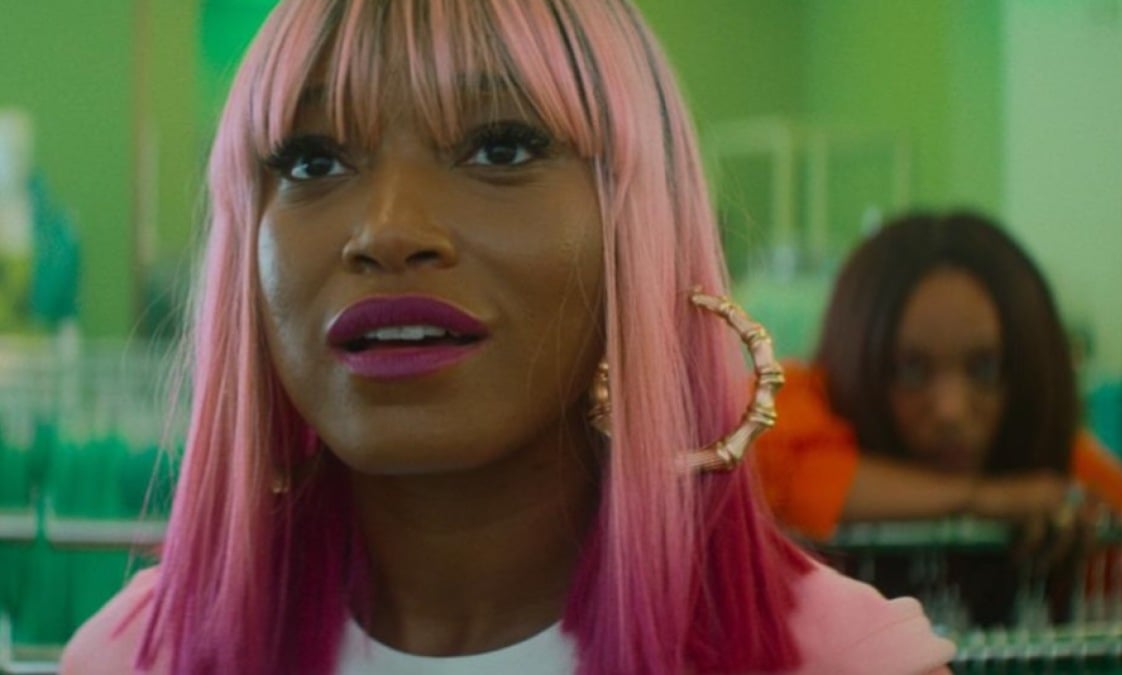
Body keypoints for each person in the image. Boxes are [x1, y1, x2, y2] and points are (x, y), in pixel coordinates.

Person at [62, 1, 954, 673]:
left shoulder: (842, 660)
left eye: (500, 148)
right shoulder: (129, 659)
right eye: (313, 160)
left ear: (636, 224)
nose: (388, 230)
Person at [755, 210, 1122, 626]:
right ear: (859, 362)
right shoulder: (803, 401)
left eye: (985, 369)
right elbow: (767, 468)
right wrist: (989, 499)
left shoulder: (1077, 485)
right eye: (911, 370)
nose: (950, 410)